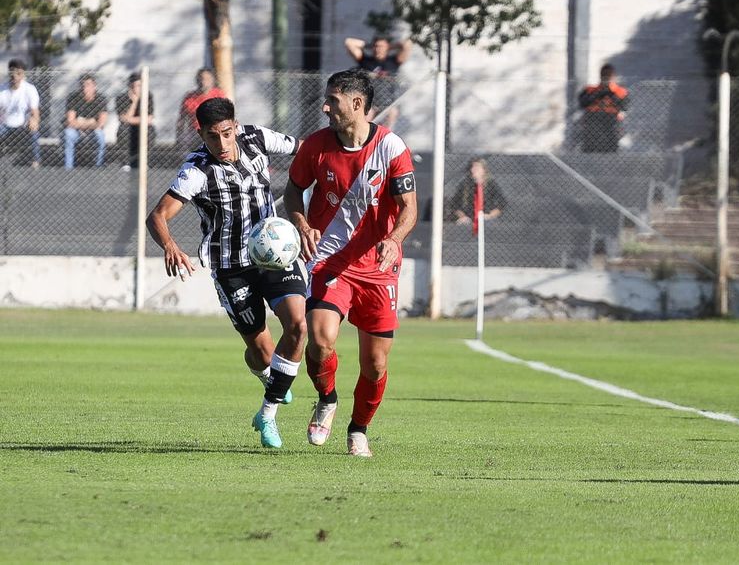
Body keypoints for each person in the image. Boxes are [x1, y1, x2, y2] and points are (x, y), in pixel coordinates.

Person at [145, 97, 307, 449]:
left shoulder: (257, 139)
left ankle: (267, 414)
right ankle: (269, 377)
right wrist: (171, 245)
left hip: (277, 254)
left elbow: (307, 151)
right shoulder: (197, 169)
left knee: (297, 325)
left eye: (226, 133)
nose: (221, 144)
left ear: (236, 126)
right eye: (211, 136)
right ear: (200, 133)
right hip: (231, 266)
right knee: (262, 351)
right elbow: (157, 216)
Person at [283, 68, 418, 458]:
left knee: (375, 364)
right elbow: (294, 189)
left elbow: (409, 208)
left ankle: (358, 430)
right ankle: (327, 398)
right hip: (328, 262)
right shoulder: (317, 146)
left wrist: (394, 239)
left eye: (333, 101)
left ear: (357, 104)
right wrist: (302, 222)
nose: (325, 107)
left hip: (378, 268)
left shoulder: (392, 148)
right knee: (320, 339)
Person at [344, 35, 412, 127]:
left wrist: (390, 46)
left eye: (381, 47)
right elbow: (349, 42)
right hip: (370, 102)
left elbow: (407, 44)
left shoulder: (394, 61)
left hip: (388, 103)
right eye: (376, 46)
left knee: (388, 124)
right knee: (365, 126)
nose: (378, 49)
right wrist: (369, 45)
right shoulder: (365, 61)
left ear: (387, 47)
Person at [577, 63, 630, 153]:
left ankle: (611, 152)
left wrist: (611, 94)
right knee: (590, 143)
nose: (606, 78)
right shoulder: (590, 89)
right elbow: (583, 103)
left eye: (608, 75)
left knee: (612, 143)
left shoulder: (620, 91)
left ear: (613, 76)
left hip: (611, 120)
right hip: (593, 119)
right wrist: (598, 94)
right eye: (604, 75)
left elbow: (624, 106)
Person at [0, 59, 42, 168]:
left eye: (18, 73)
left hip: (22, 125)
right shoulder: (2, 90)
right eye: (12, 72)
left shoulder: (29, 89)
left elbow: (35, 112)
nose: (15, 76)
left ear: (23, 74)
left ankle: (35, 161)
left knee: (34, 129)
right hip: (4, 125)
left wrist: (34, 120)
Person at [62, 73, 109, 169]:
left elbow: (102, 123)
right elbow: (70, 122)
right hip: (77, 132)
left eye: (88, 85)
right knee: (68, 133)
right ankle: (68, 167)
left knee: (100, 136)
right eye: (82, 85)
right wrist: (91, 122)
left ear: (94, 86)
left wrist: (80, 122)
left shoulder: (101, 99)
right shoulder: (73, 98)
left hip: (93, 132)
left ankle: (98, 165)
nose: (85, 88)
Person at [447, 157, 506, 228]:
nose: (474, 169)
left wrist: (490, 216)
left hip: (486, 218)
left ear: (484, 170)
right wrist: (463, 216)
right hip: (469, 218)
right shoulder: (465, 184)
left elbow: (501, 204)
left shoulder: (491, 184)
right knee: (462, 225)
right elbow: (454, 204)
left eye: (477, 167)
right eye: (473, 167)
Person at [176, 68, 226, 148]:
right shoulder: (189, 97)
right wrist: (180, 136)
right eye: (201, 79)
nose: (203, 82)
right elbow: (182, 119)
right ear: (197, 80)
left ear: (213, 80)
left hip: (216, 131)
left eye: (207, 79)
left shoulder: (219, 95)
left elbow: (226, 115)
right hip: (196, 133)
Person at [116, 72, 156, 171]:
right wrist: (134, 102)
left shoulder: (148, 96)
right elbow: (123, 120)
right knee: (123, 129)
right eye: (133, 86)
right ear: (129, 87)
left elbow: (149, 119)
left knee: (150, 130)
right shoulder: (122, 98)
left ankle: (145, 163)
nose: (136, 89)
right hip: (128, 128)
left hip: (142, 126)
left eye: (138, 86)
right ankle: (125, 163)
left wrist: (130, 120)